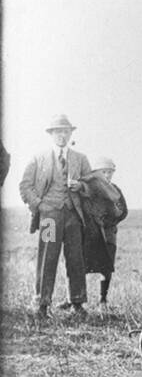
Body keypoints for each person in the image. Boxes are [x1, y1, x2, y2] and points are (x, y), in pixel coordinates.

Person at [18, 114, 92, 318]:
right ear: (51, 134)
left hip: (73, 217)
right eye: (58, 131)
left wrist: (81, 186)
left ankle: (77, 302)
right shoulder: (38, 158)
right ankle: (42, 304)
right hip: (49, 217)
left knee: (76, 258)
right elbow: (25, 186)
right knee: (47, 257)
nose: (62, 135)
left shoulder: (80, 158)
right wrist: (40, 206)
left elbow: (92, 186)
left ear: (70, 134)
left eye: (65, 131)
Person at [81, 156, 128, 307]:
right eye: (104, 172)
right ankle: (76, 299)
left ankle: (103, 299)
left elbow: (123, 211)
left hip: (108, 234)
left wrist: (109, 222)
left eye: (110, 172)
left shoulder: (115, 190)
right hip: (91, 234)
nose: (107, 175)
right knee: (81, 265)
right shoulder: (89, 188)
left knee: (106, 267)